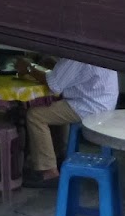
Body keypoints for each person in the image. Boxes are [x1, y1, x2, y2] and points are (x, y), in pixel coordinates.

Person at [16, 55, 118, 187]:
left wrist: (29, 68)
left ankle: (49, 172)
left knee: (35, 115)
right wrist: (55, 65)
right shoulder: (92, 47)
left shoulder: (77, 54)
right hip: (102, 102)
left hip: (90, 107)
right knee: (56, 107)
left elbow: (54, 84)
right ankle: (59, 154)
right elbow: (69, 75)